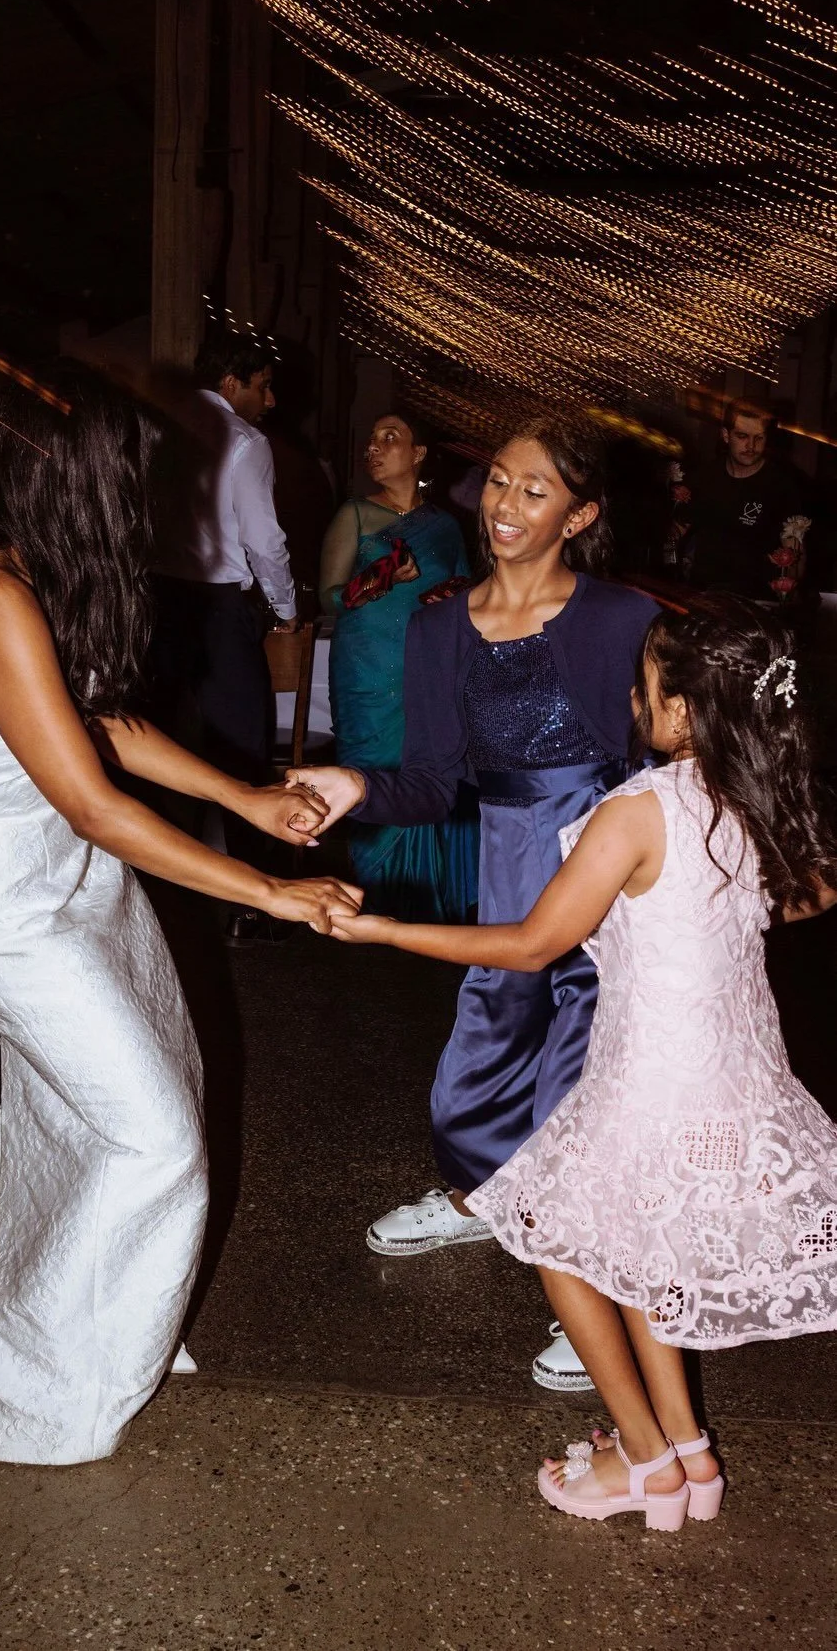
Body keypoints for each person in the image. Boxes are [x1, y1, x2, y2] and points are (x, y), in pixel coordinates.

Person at [0, 362, 359, 1466]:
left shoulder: (29, 570)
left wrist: (245, 797)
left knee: (110, 1108)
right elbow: (95, 802)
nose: (149, 504)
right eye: (130, 481)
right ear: (76, 478)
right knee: (151, 1138)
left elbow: (104, 724)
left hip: (72, 877)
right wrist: (269, 889)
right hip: (5, 907)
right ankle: (22, 1389)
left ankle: (103, 1324)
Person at [329, 597, 837, 1529]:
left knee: (553, 1234)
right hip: (739, 1078)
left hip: (654, 1080)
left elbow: (532, 944)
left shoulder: (640, 811)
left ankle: (644, 1460)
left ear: (682, 710)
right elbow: (811, 893)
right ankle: (687, 1457)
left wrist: (385, 930)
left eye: (643, 690)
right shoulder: (754, 799)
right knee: (633, 1248)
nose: (631, 704)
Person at [294, 409, 659, 1391]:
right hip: (508, 865)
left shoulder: (622, 619)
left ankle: (592, 1286)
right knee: (488, 1042)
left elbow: (666, 761)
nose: (504, 504)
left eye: (534, 490)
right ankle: (482, 1197)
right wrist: (354, 784)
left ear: (578, 515)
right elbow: (430, 782)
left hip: (610, 868)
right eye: (498, 479)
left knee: (589, 1065)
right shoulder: (440, 625)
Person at [150, 331, 298, 945]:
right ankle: (254, 906)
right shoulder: (245, 441)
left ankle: (157, 896)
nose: (271, 400)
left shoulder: (156, 425)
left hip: (155, 604)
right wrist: (285, 606)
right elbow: (264, 539)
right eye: (264, 386)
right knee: (241, 753)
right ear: (232, 384)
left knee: (157, 750)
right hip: (217, 610)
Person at [319, 410, 479, 919]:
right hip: (367, 665)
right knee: (371, 767)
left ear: (418, 454)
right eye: (371, 438)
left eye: (390, 438)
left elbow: (467, 592)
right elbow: (328, 597)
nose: (374, 447)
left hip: (428, 664)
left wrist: (451, 594)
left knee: (428, 767)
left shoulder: (445, 526)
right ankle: (377, 892)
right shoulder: (354, 514)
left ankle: (428, 895)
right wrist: (378, 578)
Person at [686, 400, 811, 601]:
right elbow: (681, 530)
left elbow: (795, 556)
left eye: (759, 438)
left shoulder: (782, 487)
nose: (751, 446)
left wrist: (786, 596)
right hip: (703, 595)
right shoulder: (705, 477)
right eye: (742, 436)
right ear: (726, 435)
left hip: (754, 602)